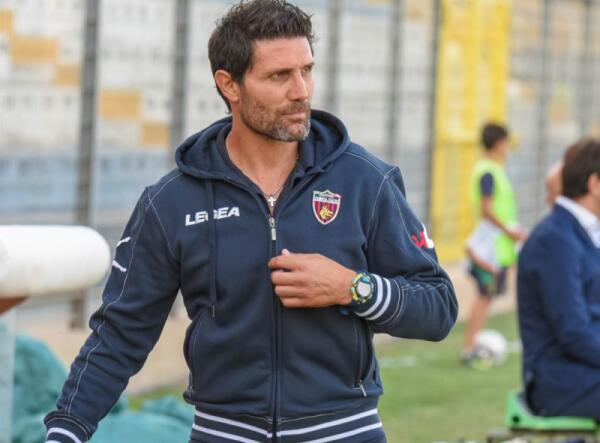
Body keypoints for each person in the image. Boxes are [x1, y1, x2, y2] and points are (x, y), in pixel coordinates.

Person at [43, 1, 458, 442]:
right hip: (224, 433)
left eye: (306, 70)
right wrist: (66, 431)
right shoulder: (171, 203)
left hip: (345, 431)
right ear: (230, 85)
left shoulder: (365, 181)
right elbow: (120, 335)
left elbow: (438, 308)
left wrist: (353, 287)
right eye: (279, 76)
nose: (301, 91)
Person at [518, 137, 600, 419]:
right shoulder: (554, 239)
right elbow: (573, 331)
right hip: (558, 380)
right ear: (594, 184)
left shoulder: (581, 232)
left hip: (583, 370)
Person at [461, 123, 525, 369]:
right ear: (499, 143)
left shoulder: (493, 170)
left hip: (497, 246)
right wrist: (509, 230)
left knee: (487, 295)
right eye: (506, 143)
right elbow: (486, 209)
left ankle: (472, 344)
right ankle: (469, 348)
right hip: (490, 247)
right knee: (484, 295)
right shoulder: (488, 172)